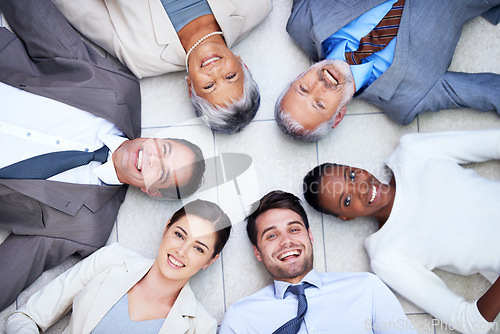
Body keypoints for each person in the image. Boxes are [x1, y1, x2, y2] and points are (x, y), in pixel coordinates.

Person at [0, 0, 205, 312]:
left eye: (161, 172)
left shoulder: (87, 227)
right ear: (157, 139)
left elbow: (14, 268)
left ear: (151, 190)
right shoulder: (118, 90)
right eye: (163, 150)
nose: (151, 158)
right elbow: (46, 30)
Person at [303, 129, 500, 334]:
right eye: (347, 200)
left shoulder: (413, 151)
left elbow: (496, 141)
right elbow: (470, 323)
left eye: (352, 175)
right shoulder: (387, 256)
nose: (360, 187)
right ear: (347, 217)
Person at [275, 0, 500, 141]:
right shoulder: (408, 99)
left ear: (298, 78)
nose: (319, 86)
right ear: (339, 115)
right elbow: (487, 92)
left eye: (303, 89)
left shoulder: (302, 21)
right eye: (320, 103)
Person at [6, 199, 232, 334]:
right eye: (179, 235)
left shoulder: (200, 326)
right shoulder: (111, 259)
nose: (181, 251)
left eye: (199, 248)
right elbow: (24, 318)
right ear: (166, 229)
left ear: (210, 260)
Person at [51, 0, 272, 134]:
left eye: (210, 86)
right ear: (243, 65)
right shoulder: (257, 6)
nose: (215, 71)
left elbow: (77, 7)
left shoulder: (139, 57)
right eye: (231, 76)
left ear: (191, 88)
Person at [219, 190, 416, 333]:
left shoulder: (367, 288)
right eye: (271, 236)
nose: (286, 241)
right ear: (258, 252)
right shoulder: (240, 319)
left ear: (310, 236)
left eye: (294, 229)